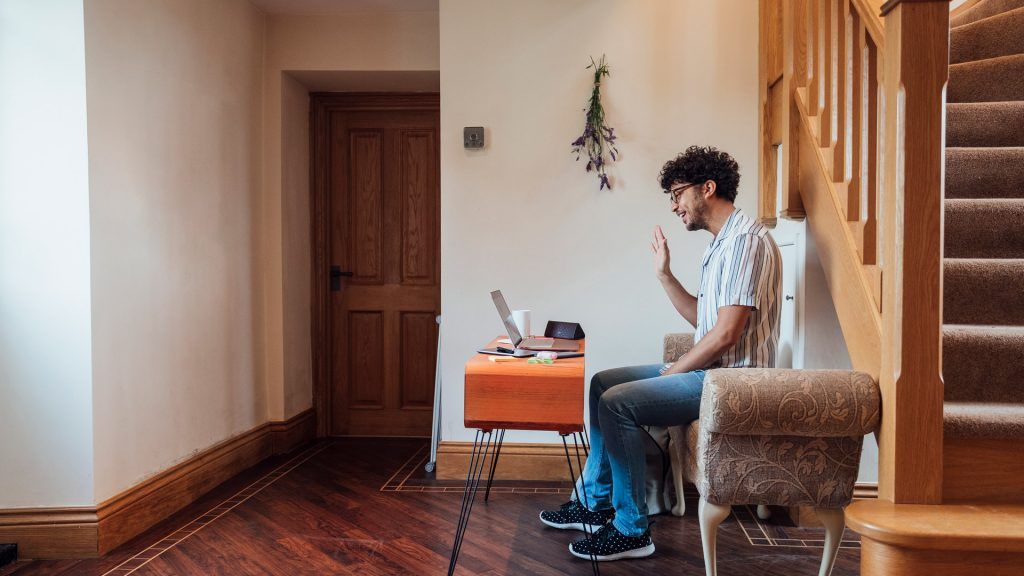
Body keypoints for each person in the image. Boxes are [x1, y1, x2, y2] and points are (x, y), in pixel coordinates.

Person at [539, 145, 782, 561]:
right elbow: (703, 322)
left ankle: (631, 529)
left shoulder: (746, 242)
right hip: (713, 371)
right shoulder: (722, 244)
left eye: (677, 193)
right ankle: (595, 503)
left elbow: (725, 335)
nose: (674, 205)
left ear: (707, 188)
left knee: (618, 404)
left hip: (730, 381)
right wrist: (664, 275)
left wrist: (670, 374)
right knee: (603, 384)